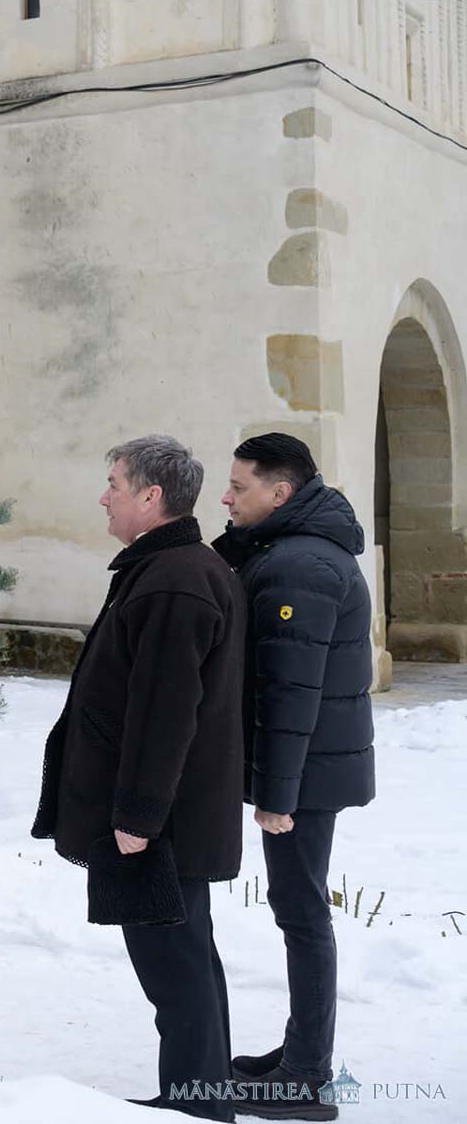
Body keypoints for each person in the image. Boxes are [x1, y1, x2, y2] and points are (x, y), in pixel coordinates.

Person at [33, 436, 245, 1120]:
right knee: (186, 960)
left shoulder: (176, 581)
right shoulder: (167, 570)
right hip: (167, 815)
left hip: (163, 822)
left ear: (151, 496)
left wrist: (138, 818)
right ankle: (200, 1096)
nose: (104, 496)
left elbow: (164, 714)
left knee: (175, 969)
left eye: (115, 484)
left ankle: (196, 1109)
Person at [215, 434, 374, 1119]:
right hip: (312, 767)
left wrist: (277, 796)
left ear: (280, 494)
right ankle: (296, 1055)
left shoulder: (302, 567)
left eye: (239, 487)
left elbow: (292, 690)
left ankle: (307, 1077)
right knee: (297, 908)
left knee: (302, 912)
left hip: (305, 773)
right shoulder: (292, 550)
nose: (227, 496)